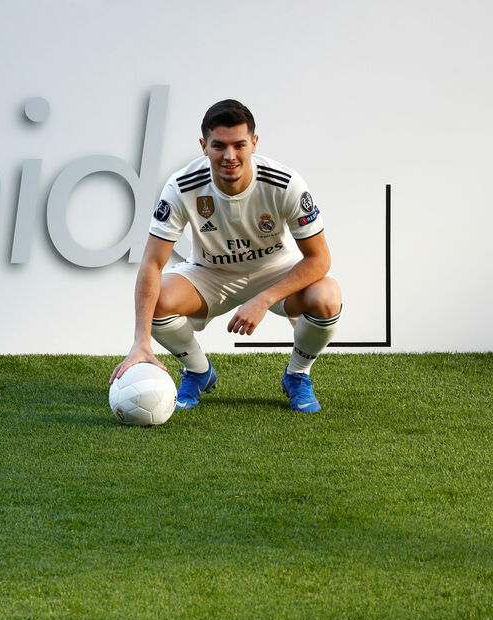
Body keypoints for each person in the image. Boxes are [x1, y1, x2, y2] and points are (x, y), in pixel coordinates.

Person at [109, 99, 342, 412]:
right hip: (211, 273)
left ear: (254, 143)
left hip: (274, 272)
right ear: (204, 146)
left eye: (239, 145)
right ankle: (198, 371)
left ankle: (298, 374)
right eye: (219, 145)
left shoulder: (284, 183)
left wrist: (263, 299)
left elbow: (319, 259)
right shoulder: (182, 186)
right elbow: (152, 263)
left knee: (327, 297)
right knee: (158, 300)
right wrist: (141, 340)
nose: (230, 155)